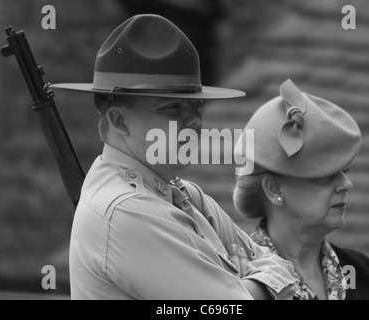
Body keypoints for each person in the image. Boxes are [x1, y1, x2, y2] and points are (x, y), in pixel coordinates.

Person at [50, 14, 297, 300]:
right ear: (119, 120)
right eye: (171, 108)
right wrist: (258, 285)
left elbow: (282, 265)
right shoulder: (128, 211)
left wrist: (249, 285)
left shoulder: (187, 195)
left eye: (196, 104)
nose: (194, 119)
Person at [233, 79, 369, 300]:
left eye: (345, 171)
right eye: (326, 176)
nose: (346, 184)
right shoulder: (234, 283)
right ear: (274, 188)